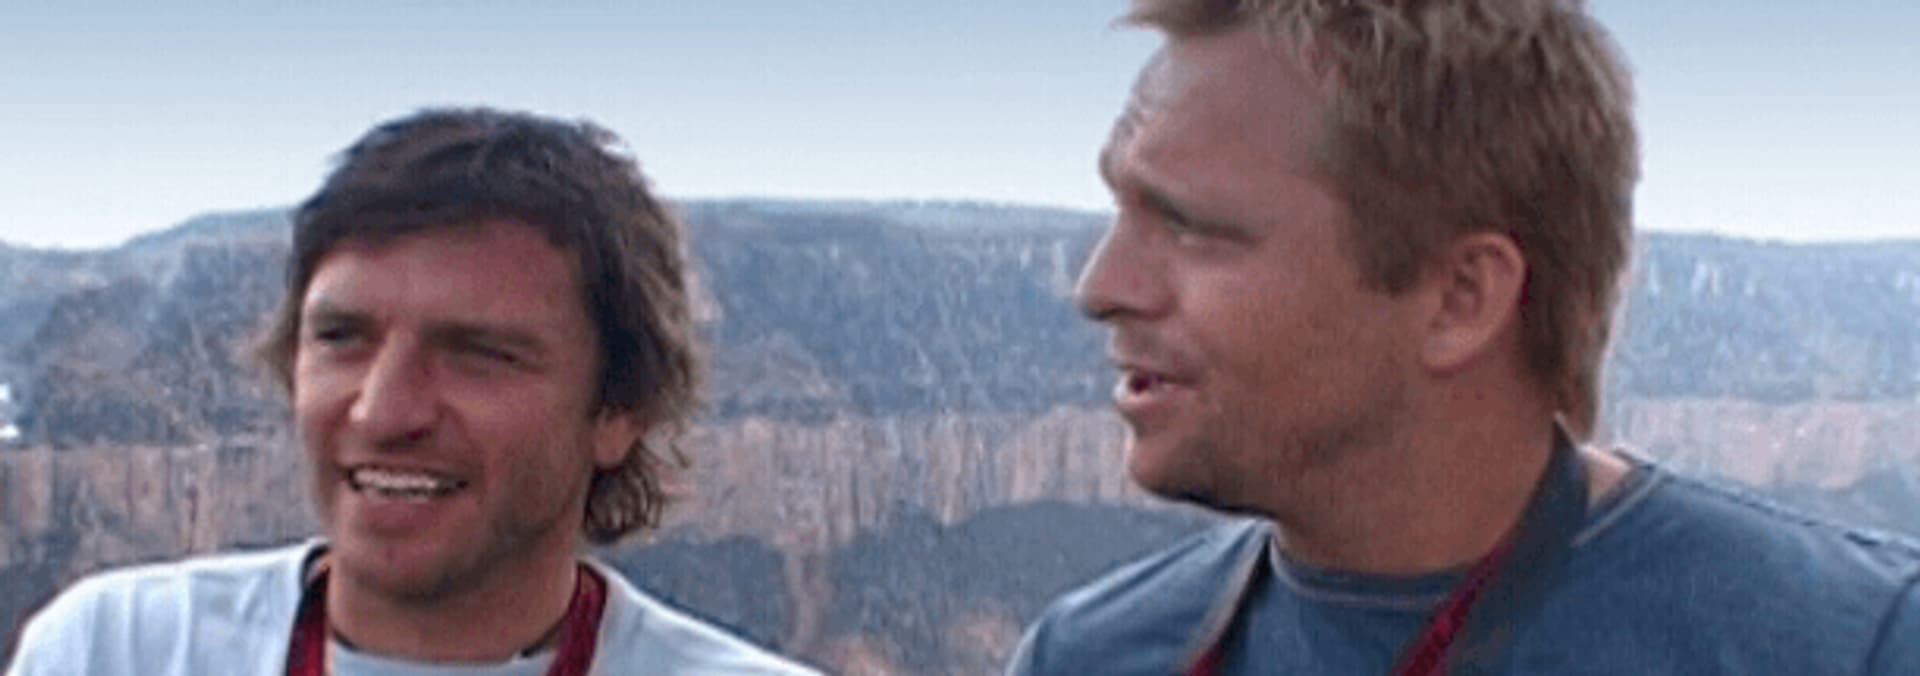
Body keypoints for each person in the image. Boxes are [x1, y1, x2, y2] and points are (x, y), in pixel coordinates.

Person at [1009, 1, 1920, 674]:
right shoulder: (1086, 656)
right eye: (1121, 210)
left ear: (1459, 298)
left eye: (1190, 228)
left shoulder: (1856, 646)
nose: (1100, 288)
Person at [7, 108, 817, 675]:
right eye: (341, 338)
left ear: (619, 410)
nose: (382, 411)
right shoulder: (113, 652)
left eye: (479, 354)